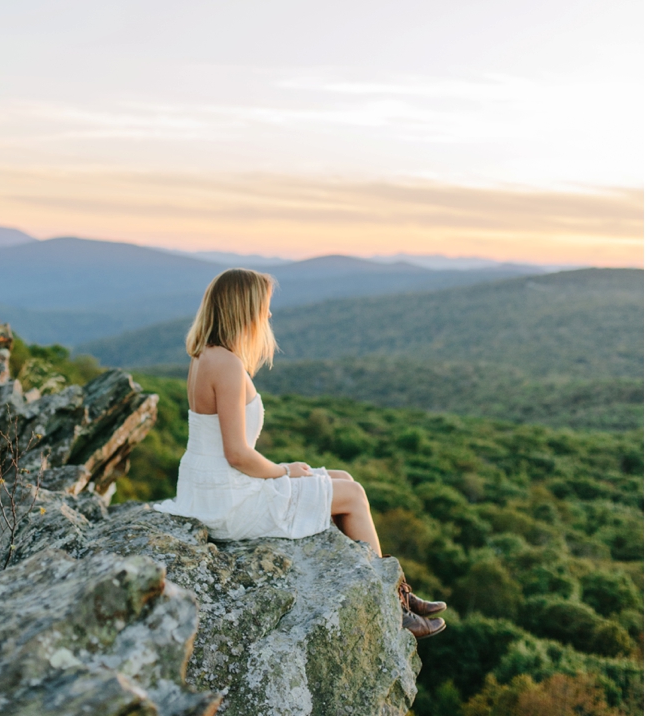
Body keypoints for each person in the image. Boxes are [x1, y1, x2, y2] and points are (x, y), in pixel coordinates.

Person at [154, 267, 447, 638]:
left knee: (341, 480)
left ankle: (396, 586)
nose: (269, 315)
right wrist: (283, 471)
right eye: (264, 306)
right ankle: (394, 604)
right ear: (244, 308)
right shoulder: (226, 365)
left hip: (213, 489)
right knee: (353, 496)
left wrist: (285, 472)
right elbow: (238, 455)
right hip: (228, 501)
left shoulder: (205, 356)